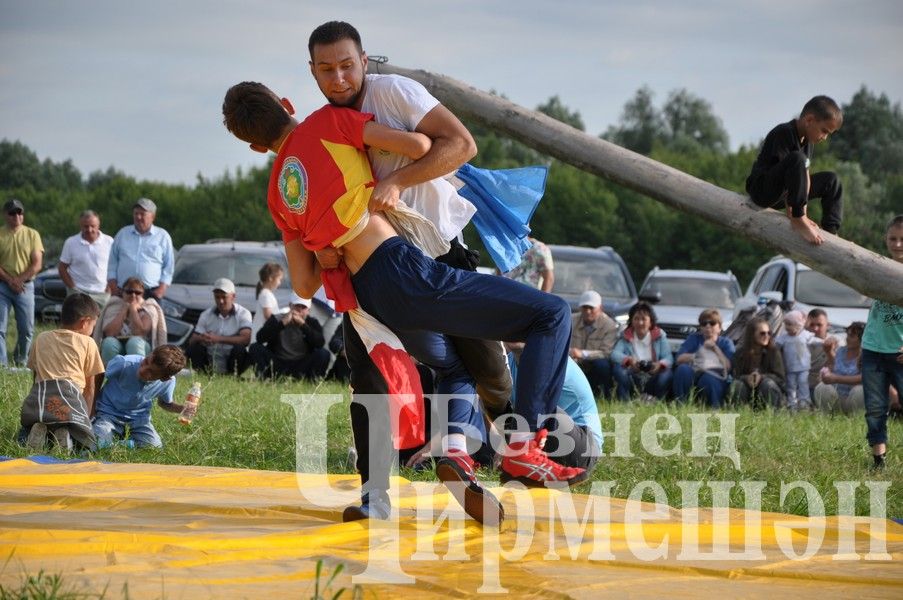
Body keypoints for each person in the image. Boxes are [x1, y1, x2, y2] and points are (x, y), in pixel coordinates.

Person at [222, 80, 584, 526]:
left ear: (258, 147)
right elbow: (417, 144)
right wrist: (387, 178)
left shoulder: (278, 193)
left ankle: (437, 462)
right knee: (550, 314)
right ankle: (522, 447)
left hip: (365, 297)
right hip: (406, 270)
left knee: (447, 369)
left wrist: (323, 249)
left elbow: (301, 283)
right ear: (287, 103)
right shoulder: (328, 122)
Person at [745, 96, 843, 245]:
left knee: (832, 180)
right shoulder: (783, 133)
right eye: (824, 131)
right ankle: (798, 217)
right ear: (809, 120)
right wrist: (797, 216)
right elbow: (787, 175)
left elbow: (804, 178)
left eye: (828, 133)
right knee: (798, 159)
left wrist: (804, 213)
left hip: (784, 194)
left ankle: (831, 232)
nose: (825, 137)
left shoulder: (808, 141)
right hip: (762, 191)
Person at [20, 293, 104, 452]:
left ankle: (39, 434)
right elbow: (90, 388)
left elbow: (35, 377)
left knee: (25, 432)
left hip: (40, 399)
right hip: (69, 399)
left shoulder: (41, 338)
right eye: (93, 325)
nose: (92, 331)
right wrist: (85, 418)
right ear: (84, 322)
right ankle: (67, 434)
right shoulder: (88, 343)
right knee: (88, 446)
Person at [861, 215, 903, 470]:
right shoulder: (879, 266)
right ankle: (879, 460)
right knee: (875, 408)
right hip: (874, 350)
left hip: (900, 352)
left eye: (902, 240)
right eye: (893, 239)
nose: (897, 244)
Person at [91, 345, 187, 449]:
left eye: (151, 372)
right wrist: (91, 407)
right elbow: (98, 373)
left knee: (155, 447)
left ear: (164, 378)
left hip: (138, 419)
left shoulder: (168, 383)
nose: (143, 370)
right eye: (146, 362)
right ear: (150, 354)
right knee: (97, 441)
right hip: (108, 414)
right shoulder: (125, 363)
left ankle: (122, 443)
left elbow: (164, 403)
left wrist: (182, 409)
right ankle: (116, 442)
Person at [0, 198, 43, 367]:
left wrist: (19, 280)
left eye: (19, 212)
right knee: (0, 328)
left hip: (26, 285)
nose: (16, 216)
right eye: (12, 213)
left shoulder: (32, 234)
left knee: (26, 328)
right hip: (2, 285)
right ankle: (2, 364)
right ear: (5, 215)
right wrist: (11, 280)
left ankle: (20, 361)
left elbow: (37, 263)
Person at [250, 293, 331, 380]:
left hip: (301, 364)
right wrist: (282, 324)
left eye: (303, 307)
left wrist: (303, 325)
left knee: (323, 353)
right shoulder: (277, 319)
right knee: (255, 347)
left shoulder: (312, 322)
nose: (299, 310)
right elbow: (260, 338)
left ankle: (313, 380)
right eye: (297, 306)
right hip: (278, 362)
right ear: (290, 306)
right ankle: (264, 378)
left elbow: (320, 343)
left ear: (308, 310)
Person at [106, 198, 175, 300]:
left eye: (142, 214)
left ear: (153, 216)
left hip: (151, 293)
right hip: (123, 292)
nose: (138, 217)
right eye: (136, 213)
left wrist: (161, 290)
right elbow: (112, 263)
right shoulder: (122, 234)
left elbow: (168, 267)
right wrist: (114, 288)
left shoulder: (162, 236)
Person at [93, 277, 167, 365]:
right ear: (122, 292)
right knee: (109, 342)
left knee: (134, 342)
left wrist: (133, 309)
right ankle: (112, 376)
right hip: (117, 344)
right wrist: (124, 309)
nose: (133, 295)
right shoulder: (114, 305)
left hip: (141, 347)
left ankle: (136, 375)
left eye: (137, 292)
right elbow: (110, 333)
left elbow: (139, 332)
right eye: (129, 292)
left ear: (143, 294)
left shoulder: (149, 307)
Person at [610, 301, 673, 402]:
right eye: (636, 319)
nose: (640, 323)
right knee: (619, 369)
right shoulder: (626, 335)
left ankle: (658, 401)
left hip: (653, 375)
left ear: (651, 321)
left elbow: (669, 358)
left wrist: (659, 365)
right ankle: (624, 401)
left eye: (643, 319)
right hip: (633, 375)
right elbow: (614, 354)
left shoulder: (660, 336)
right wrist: (629, 360)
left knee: (666, 373)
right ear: (631, 321)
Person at [187, 278, 251, 375]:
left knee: (240, 349)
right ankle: (202, 373)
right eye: (217, 297)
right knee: (195, 348)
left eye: (224, 297)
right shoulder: (206, 314)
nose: (220, 301)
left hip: (232, 357)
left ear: (233, 296)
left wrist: (218, 339)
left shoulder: (243, 313)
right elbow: (192, 340)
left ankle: (233, 374)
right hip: (210, 355)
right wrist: (202, 338)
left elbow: (246, 339)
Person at [673, 309, 735, 408]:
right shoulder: (694, 338)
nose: (708, 326)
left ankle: (714, 410)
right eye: (704, 323)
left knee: (708, 379)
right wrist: (698, 355)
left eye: (712, 323)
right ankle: (681, 405)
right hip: (694, 373)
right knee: (682, 369)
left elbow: (728, 366)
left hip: (715, 377)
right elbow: (679, 359)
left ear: (719, 327)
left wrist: (715, 348)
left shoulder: (726, 343)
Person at [58, 210, 113, 308]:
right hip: (78, 293)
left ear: (98, 225)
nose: (89, 229)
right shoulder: (71, 242)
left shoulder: (109, 242)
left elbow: (115, 266)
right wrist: (72, 288)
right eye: (86, 226)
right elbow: (62, 268)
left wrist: (109, 289)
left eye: (93, 226)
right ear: (80, 226)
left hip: (102, 294)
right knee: (76, 323)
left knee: (103, 323)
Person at [569, 290, 618, 397]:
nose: (588, 311)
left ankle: (605, 395)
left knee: (602, 365)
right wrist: (571, 353)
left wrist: (582, 354)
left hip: (595, 363)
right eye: (585, 307)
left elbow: (606, 352)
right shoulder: (571, 320)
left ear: (600, 308)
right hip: (574, 360)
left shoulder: (609, 325)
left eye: (591, 308)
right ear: (580, 308)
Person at [730, 317, 785, 409]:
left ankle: (771, 414)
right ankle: (740, 413)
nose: (766, 336)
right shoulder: (740, 353)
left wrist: (762, 377)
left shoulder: (774, 352)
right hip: (747, 390)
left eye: (769, 333)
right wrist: (747, 378)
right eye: (762, 333)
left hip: (767, 390)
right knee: (737, 385)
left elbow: (780, 378)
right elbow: (735, 376)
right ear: (752, 335)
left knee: (767, 384)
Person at [774, 310, 821, 411]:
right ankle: (792, 402)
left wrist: (825, 342)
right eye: (786, 324)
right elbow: (775, 345)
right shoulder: (784, 337)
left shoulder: (805, 335)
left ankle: (804, 401)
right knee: (791, 385)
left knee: (803, 383)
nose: (787, 327)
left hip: (803, 367)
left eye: (790, 324)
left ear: (798, 325)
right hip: (790, 367)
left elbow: (815, 341)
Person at [814, 321, 864, 414]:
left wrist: (836, 379)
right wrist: (828, 353)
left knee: (860, 391)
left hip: (854, 398)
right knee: (822, 387)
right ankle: (829, 416)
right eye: (847, 335)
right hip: (838, 395)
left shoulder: (866, 355)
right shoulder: (841, 351)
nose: (848, 339)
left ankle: (856, 418)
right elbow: (832, 367)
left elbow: (865, 378)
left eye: (852, 336)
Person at [806, 308, 838, 399]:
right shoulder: (799, 341)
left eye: (819, 325)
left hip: (822, 386)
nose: (815, 329)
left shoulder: (836, 343)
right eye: (811, 325)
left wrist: (830, 352)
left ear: (828, 325)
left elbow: (839, 367)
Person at [250, 262, 284, 342]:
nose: (280, 283)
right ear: (271, 278)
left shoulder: (266, 293)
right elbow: (268, 316)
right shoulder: (266, 294)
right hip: (262, 336)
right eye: (279, 279)